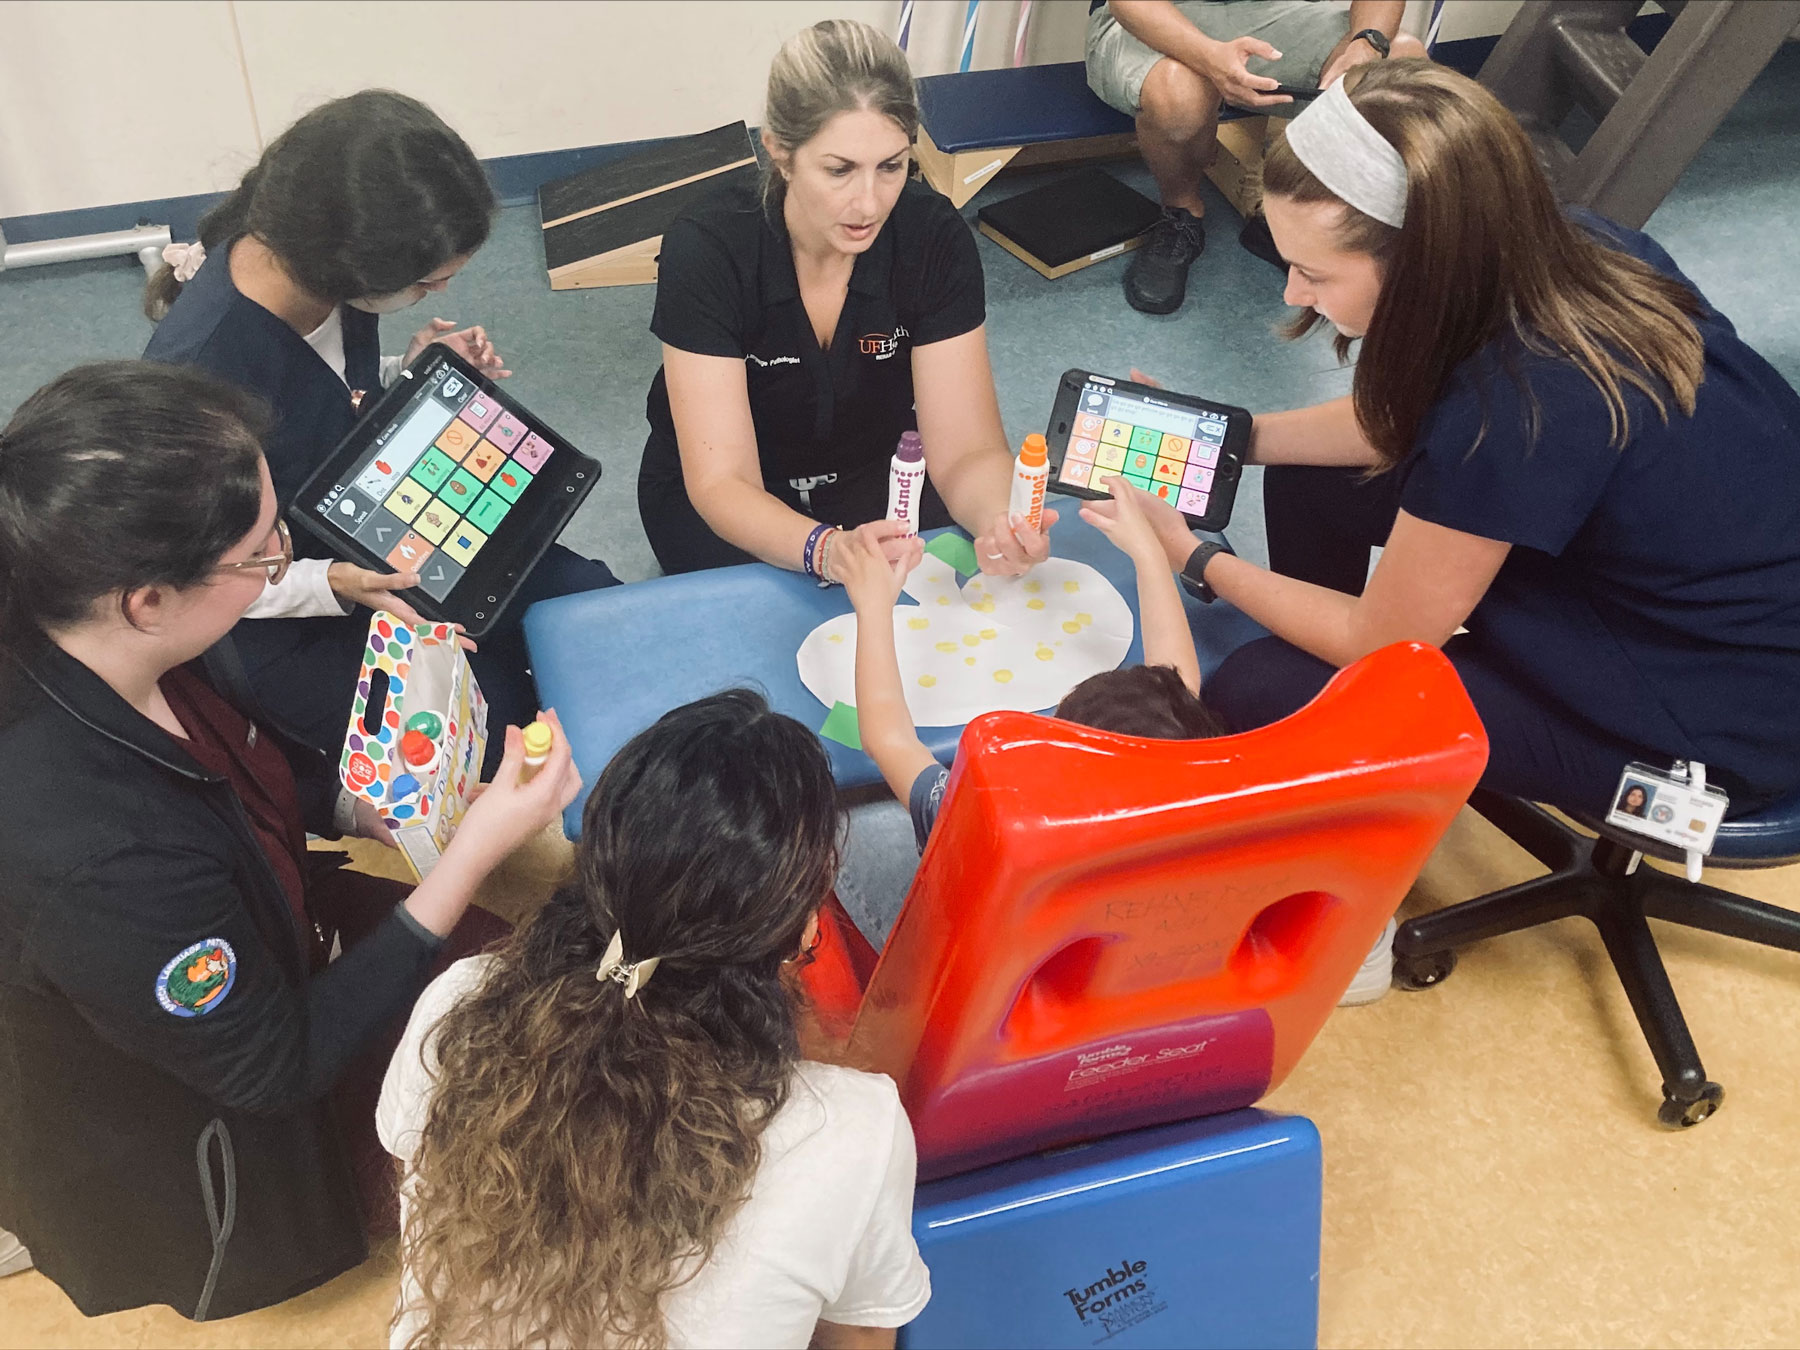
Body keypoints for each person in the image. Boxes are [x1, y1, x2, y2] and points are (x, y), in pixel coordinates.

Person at [0, 362, 582, 1320]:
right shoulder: (97, 849)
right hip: (192, 1117)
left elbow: (243, 763)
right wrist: (470, 852)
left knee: (525, 985)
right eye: (262, 554)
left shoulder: (147, 641)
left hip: (265, 914)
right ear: (145, 598)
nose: (283, 561)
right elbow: (273, 1064)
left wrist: (380, 808)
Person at [1115, 64, 1800, 829]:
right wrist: (1237, 437)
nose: (1292, 295)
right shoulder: (1567, 247)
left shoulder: (1519, 405)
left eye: (1312, 273)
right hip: (1690, 602)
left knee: (1255, 688)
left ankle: (1338, 735)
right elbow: (1400, 419)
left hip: (1720, 722)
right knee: (1312, 481)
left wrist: (1194, 556)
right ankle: (1346, 722)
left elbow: (1382, 637)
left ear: (1421, 266)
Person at [378, 690, 931, 1349]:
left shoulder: (458, 1004)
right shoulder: (850, 1132)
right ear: (799, 931)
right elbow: (861, 1340)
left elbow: (418, 1189)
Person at [144, 89, 618, 768]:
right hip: (278, 611)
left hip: (368, 519)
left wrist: (411, 372)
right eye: (425, 285)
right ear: (347, 266)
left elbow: (323, 389)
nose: (440, 294)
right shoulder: (198, 376)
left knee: (586, 607)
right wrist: (335, 582)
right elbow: (196, 579)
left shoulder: (322, 278)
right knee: (485, 734)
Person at [832, 504, 1395, 1005]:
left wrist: (872, 605)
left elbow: (890, 738)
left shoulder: (982, 820)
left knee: (848, 818)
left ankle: (888, 988)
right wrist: (1152, 558)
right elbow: (1180, 685)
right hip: (1134, 997)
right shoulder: (1204, 796)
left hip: (999, 996)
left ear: (1059, 759)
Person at [641, 19, 1054, 580]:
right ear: (780, 154)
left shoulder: (932, 236)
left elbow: (967, 452)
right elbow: (722, 481)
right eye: (839, 170)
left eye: (891, 166)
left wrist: (999, 521)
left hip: (879, 476)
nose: (868, 204)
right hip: (734, 499)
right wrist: (826, 551)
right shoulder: (709, 248)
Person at [1085, 1, 1422, 313]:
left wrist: (1368, 43)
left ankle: (1284, 215)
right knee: (1179, 92)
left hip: (1266, 12)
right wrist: (1210, 60)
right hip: (1146, 15)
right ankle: (1180, 213)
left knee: (1401, 63)